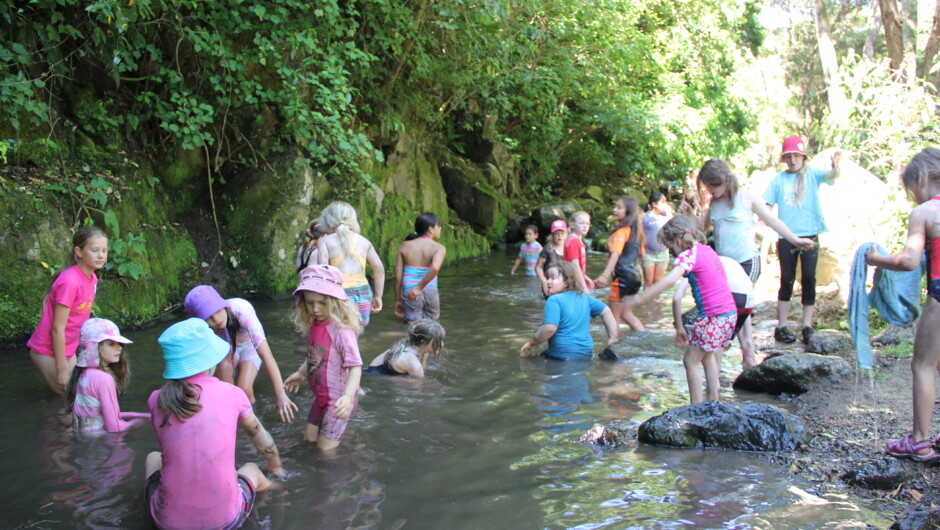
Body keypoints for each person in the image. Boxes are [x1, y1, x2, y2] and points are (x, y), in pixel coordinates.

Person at [145, 318, 284, 530]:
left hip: (167, 523)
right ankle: (277, 491)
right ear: (211, 360)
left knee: (153, 457)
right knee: (252, 469)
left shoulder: (156, 400)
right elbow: (258, 434)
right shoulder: (233, 394)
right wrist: (274, 463)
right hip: (225, 521)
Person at [696, 158, 815, 365]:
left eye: (712, 186)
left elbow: (772, 221)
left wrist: (795, 239)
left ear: (725, 180)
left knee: (732, 305)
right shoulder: (713, 203)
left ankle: (724, 356)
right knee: (738, 306)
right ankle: (748, 351)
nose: (710, 190)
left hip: (747, 262)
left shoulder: (747, 198)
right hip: (724, 267)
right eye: (707, 187)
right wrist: (690, 217)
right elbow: (701, 228)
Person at [867, 147, 940, 462]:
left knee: (923, 365)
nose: (913, 199)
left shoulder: (924, 213)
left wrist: (875, 259)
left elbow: (909, 261)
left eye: (912, 191)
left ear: (922, 178)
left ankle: (920, 442)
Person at [623, 215, 736, 404]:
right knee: (707, 357)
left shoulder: (688, 254)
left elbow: (669, 280)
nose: (673, 253)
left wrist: (641, 297)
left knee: (690, 361)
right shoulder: (706, 250)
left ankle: (696, 407)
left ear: (677, 241)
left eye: (670, 248)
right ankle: (713, 400)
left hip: (713, 317)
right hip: (729, 314)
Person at [762, 135, 842, 344]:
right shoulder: (778, 180)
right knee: (786, 279)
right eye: (788, 156)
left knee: (809, 278)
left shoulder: (812, 174)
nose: (792, 160)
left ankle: (807, 326)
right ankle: (782, 326)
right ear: (784, 159)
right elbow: (766, 206)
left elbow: (833, 175)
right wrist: (764, 221)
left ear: (803, 157)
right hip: (787, 236)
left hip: (810, 234)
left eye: (796, 155)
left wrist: (835, 163)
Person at [183, 285, 297, 422]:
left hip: (249, 346)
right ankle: (234, 421)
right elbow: (200, 365)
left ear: (222, 305)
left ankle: (254, 419)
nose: (216, 319)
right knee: (227, 390)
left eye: (217, 311)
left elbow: (267, 356)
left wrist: (281, 395)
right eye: (209, 317)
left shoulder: (241, 310)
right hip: (226, 349)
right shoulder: (201, 329)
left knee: (244, 389)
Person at [283, 265, 363, 451]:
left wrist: (348, 396)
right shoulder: (315, 324)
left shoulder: (341, 330)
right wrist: (301, 373)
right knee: (309, 440)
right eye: (310, 303)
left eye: (322, 303)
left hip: (337, 401)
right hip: (320, 397)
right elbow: (316, 355)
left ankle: (345, 471)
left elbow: (355, 366)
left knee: (324, 452)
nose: (315, 309)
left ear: (336, 302)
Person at [28, 226, 108, 395]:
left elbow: (79, 321)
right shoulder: (70, 281)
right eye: (95, 250)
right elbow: (58, 328)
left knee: (81, 397)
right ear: (78, 251)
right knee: (69, 400)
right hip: (47, 349)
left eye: (104, 251)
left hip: (69, 348)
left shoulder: (92, 278)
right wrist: (62, 369)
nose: (101, 256)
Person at [520, 261, 619, 360]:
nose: (548, 281)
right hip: (586, 352)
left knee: (530, 361)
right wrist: (612, 338)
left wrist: (531, 343)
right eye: (547, 278)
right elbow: (607, 312)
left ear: (566, 283)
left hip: (561, 354)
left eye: (553, 278)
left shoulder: (554, 300)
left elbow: (549, 328)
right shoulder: (585, 298)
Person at [66, 318, 149, 433]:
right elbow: (114, 428)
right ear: (95, 347)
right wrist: (138, 422)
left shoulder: (84, 374)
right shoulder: (103, 378)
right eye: (111, 344)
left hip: (82, 436)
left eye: (119, 344)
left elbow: (103, 415)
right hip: (101, 442)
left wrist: (143, 415)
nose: (119, 347)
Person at [673, 257, 756, 371]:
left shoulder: (697, 262)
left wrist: (679, 327)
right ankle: (752, 376)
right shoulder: (728, 260)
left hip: (730, 297)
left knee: (717, 347)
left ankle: (714, 384)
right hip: (748, 299)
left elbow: (677, 297)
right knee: (747, 345)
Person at [315, 201, 386, 326]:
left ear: (328, 221)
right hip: (363, 292)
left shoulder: (325, 241)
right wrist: (378, 296)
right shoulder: (364, 241)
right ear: (353, 220)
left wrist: (321, 298)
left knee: (338, 331)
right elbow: (379, 269)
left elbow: (323, 269)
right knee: (356, 331)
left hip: (338, 292)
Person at [593, 196, 646, 332]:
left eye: (619, 207)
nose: (614, 210)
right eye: (615, 206)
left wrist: (604, 275)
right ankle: (645, 339)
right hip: (636, 278)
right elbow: (641, 256)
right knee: (626, 314)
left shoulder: (621, 231)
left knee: (613, 317)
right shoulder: (637, 233)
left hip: (622, 277)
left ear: (628, 212)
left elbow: (616, 254)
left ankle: (611, 347)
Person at [394, 213, 447, 323]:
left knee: (412, 326)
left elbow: (397, 276)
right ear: (430, 229)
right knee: (431, 326)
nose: (440, 228)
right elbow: (435, 268)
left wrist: (398, 300)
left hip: (410, 290)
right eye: (439, 226)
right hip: (430, 289)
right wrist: (419, 287)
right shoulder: (439, 248)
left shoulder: (404, 245)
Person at [367, 319, 446, 377]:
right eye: (438, 341)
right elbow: (419, 381)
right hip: (377, 377)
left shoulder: (405, 344)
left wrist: (425, 355)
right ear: (423, 343)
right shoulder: (413, 363)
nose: (441, 344)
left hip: (372, 369)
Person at [642, 192, 673, 289]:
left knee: (658, 282)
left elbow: (674, 226)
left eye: (666, 202)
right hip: (648, 253)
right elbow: (638, 234)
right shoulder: (645, 217)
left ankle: (656, 303)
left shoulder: (666, 216)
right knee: (648, 281)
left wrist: (670, 213)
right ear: (654, 204)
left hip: (663, 252)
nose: (665, 204)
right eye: (662, 202)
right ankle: (646, 303)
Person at [563, 211, 594, 294]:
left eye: (587, 224)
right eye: (581, 223)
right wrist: (584, 287)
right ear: (573, 225)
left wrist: (585, 277)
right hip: (571, 282)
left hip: (574, 280)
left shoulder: (577, 240)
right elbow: (575, 265)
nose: (585, 226)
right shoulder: (574, 241)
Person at [535, 219, 567, 297]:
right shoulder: (548, 249)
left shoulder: (569, 248)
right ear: (552, 236)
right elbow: (538, 268)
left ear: (566, 235)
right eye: (556, 234)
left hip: (565, 285)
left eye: (562, 233)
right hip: (549, 285)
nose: (559, 236)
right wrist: (544, 281)